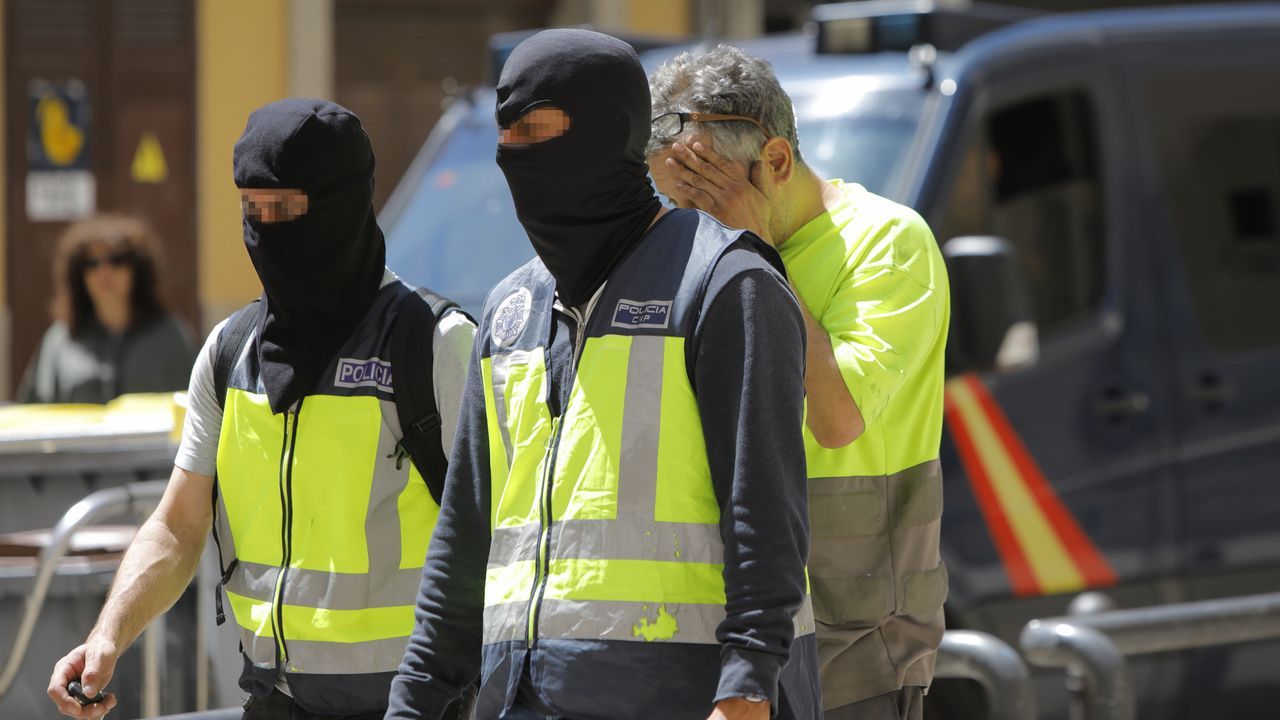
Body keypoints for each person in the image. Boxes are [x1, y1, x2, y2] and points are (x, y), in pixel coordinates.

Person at [387, 29, 821, 720]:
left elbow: (766, 513)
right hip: (522, 698)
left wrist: (745, 689)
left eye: (543, 129)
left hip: (685, 697)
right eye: (509, 134)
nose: (520, 153)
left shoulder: (724, 283)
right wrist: (412, 704)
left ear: (612, 132)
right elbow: (467, 541)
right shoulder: (508, 313)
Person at [46, 99, 477, 720]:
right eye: (254, 209)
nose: (269, 228)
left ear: (343, 202)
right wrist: (107, 637)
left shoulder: (434, 342)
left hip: (419, 702)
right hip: (277, 698)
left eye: (289, 208)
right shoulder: (228, 353)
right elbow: (178, 525)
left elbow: (493, 536)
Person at [646, 46, 950, 720]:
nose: (691, 225)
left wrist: (755, 253)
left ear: (776, 162)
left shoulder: (889, 242)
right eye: (674, 200)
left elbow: (837, 419)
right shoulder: (700, 253)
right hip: (734, 644)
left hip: (858, 647)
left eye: (704, 197)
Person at [19, 214, 196, 404]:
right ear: (79, 275)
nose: (104, 272)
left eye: (117, 260)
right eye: (92, 263)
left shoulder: (171, 337)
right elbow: (35, 410)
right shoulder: (60, 340)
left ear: (138, 270)